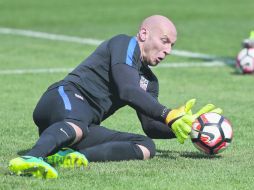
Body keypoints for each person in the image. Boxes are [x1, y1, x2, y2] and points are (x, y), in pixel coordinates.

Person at [9, 15, 221, 179]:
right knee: (78, 124)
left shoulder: (150, 82)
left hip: (79, 125)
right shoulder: (125, 43)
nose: (168, 50)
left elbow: (150, 126)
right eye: (164, 41)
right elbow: (127, 90)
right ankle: (31, 158)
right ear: (144, 34)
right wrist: (169, 114)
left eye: (172, 45)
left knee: (145, 146)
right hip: (62, 97)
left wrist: (191, 127)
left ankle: (71, 157)